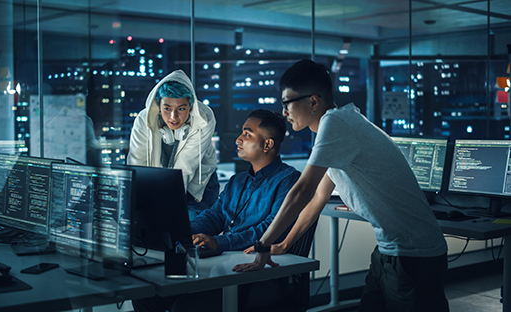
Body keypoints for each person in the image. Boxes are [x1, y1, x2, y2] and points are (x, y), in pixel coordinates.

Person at [234, 59, 450, 312]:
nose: (284, 112)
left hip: (413, 254)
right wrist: (283, 244)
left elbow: (302, 191)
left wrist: (263, 245)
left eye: (287, 103)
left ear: (313, 102)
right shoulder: (341, 122)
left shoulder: (336, 124)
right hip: (389, 250)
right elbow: (318, 197)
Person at [133, 109, 301, 312]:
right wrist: (182, 231)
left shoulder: (288, 180)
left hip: (263, 276)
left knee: (184, 307)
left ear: (268, 144)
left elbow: (272, 229)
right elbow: (214, 216)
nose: (238, 139)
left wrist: (218, 242)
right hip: (229, 268)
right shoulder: (237, 181)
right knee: (146, 295)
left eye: (247, 134)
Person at [128, 69, 219, 219]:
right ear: (159, 104)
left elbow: (186, 167)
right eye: (167, 108)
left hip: (198, 185)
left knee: (191, 232)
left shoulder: (204, 118)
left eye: (181, 109)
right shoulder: (143, 120)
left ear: (190, 106)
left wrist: (165, 207)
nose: (173, 117)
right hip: (157, 184)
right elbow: (138, 164)